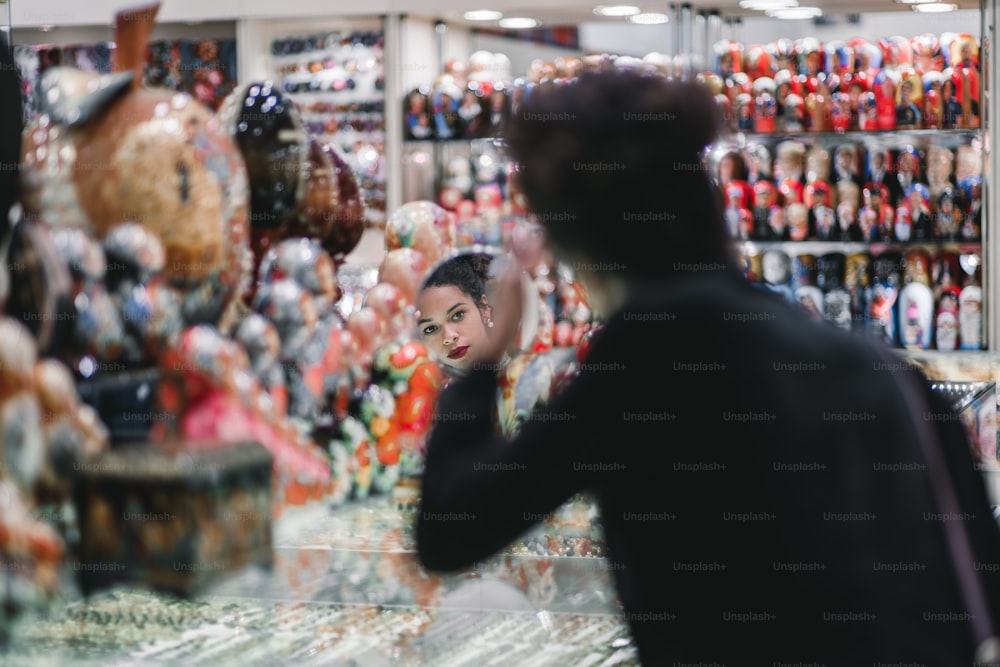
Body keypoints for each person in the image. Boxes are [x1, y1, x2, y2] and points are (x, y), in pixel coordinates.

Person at [416, 70, 1000, 666]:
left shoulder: (640, 366)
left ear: (571, 237)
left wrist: (484, 360)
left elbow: (451, 528)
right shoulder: (860, 362)